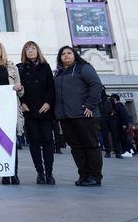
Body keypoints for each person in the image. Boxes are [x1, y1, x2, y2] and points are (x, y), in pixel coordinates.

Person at [54, 46, 103, 187]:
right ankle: (84, 175)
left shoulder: (84, 68)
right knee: (76, 148)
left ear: (75, 55)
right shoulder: (58, 73)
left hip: (84, 115)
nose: (66, 55)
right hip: (66, 116)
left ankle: (95, 176)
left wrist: (90, 105)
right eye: (63, 54)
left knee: (91, 145)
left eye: (69, 53)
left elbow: (96, 85)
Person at [0, 41, 24, 185]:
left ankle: (13, 173)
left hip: (10, 109)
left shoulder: (12, 68)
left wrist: (18, 88)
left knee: (11, 142)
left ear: (2, 50)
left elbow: (21, 92)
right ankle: (3, 173)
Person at [17, 41, 56, 185]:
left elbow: (51, 87)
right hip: (29, 111)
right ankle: (40, 172)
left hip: (45, 110)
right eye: (27, 49)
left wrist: (48, 103)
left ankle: (49, 173)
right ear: (24, 53)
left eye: (33, 48)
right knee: (34, 142)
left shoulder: (45, 67)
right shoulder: (20, 68)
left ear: (37, 50)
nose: (30, 51)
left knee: (47, 141)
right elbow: (18, 88)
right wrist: (22, 103)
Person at [99, 88, 122, 159]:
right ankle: (107, 152)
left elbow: (116, 108)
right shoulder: (97, 100)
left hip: (111, 118)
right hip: (103, 118)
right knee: (105, 136)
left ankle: (117, 152)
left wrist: (113, 114)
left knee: (115, 135)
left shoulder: (110, 99)